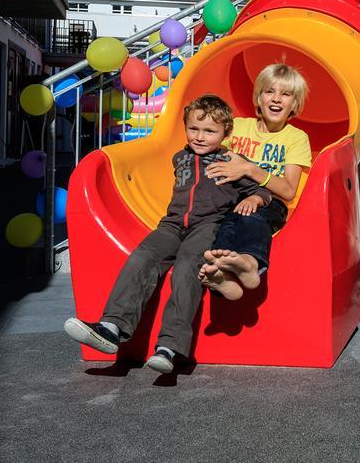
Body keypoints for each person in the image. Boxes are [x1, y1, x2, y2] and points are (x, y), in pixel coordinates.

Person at [63, 94, 272, 374]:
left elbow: (263, 190)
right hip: (171, 224)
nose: (200, 137)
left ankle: (169, 347)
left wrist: (254, 200)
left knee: (188, 268)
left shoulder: (230, 160)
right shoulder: (180, 157)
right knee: (142, 258)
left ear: (226, 133)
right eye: (193, 129)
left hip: (208, 226)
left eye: (210, 131)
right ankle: (111, 327)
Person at [199, 63, 311, 300]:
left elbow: (289, 190)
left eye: (286, 94)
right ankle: (224, 279)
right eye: (269, 91)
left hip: (270, 204)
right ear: (259, 97)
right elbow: (211, 156)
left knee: (251, 215)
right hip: (230, 198)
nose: (276, 99)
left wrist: (249, 169)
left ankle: (252, 264)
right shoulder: (237, 127)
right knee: (224, 224)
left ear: (295, 104)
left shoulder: (296, 138)